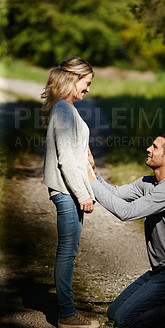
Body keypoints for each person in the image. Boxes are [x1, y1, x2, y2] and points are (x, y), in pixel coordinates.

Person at [87, 132, 165, 328]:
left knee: (126, 320)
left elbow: (126, 212)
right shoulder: (149, 182)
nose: (148, 149)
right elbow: (116, 193)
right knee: (114, 313)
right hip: (163, 270)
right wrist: (95, 174)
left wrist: (91, 182)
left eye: (155, 147)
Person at [42, 56, 99, 328]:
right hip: (67, 192)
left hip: (69, 191)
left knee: (70, 251)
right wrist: (83, 195)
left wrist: (86, 152)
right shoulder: (64, 110)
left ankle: (67, 311)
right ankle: (66, 315)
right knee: (67, 253)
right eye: (86, 83)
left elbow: (71, 147)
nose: (88, 89)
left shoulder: (66, 109)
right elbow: (64, 159)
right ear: (74, 79)